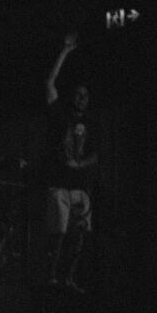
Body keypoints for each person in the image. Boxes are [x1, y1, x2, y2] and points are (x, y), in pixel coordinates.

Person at [42, 32, 97, 292]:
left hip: (81, 187)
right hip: (59, 184)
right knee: (59, 233)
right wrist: (64, 51)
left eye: (85, 95)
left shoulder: (92, 122)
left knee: (80, 235)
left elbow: (95, 154)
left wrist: (81, 165)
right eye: (78, 94)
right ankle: (52, 277)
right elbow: (49, 83)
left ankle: (69, 278)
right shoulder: (60, 114)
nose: (81, 98)